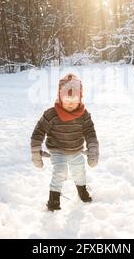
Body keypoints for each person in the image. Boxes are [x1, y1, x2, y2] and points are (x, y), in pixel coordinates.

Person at [30, 73, 99, 211]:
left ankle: (82, 191)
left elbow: (90, 132)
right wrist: (35, 151)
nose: (70, 105)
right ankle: (53, 200)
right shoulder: (51, 114)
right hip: (57, 149)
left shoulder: (84, 115)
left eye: (74, 101)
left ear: (80, 98)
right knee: (60, 171)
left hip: (76, 149)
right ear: (60, 98)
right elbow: (38, 132)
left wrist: (93, 148)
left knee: (79, 171)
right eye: (67, 101)